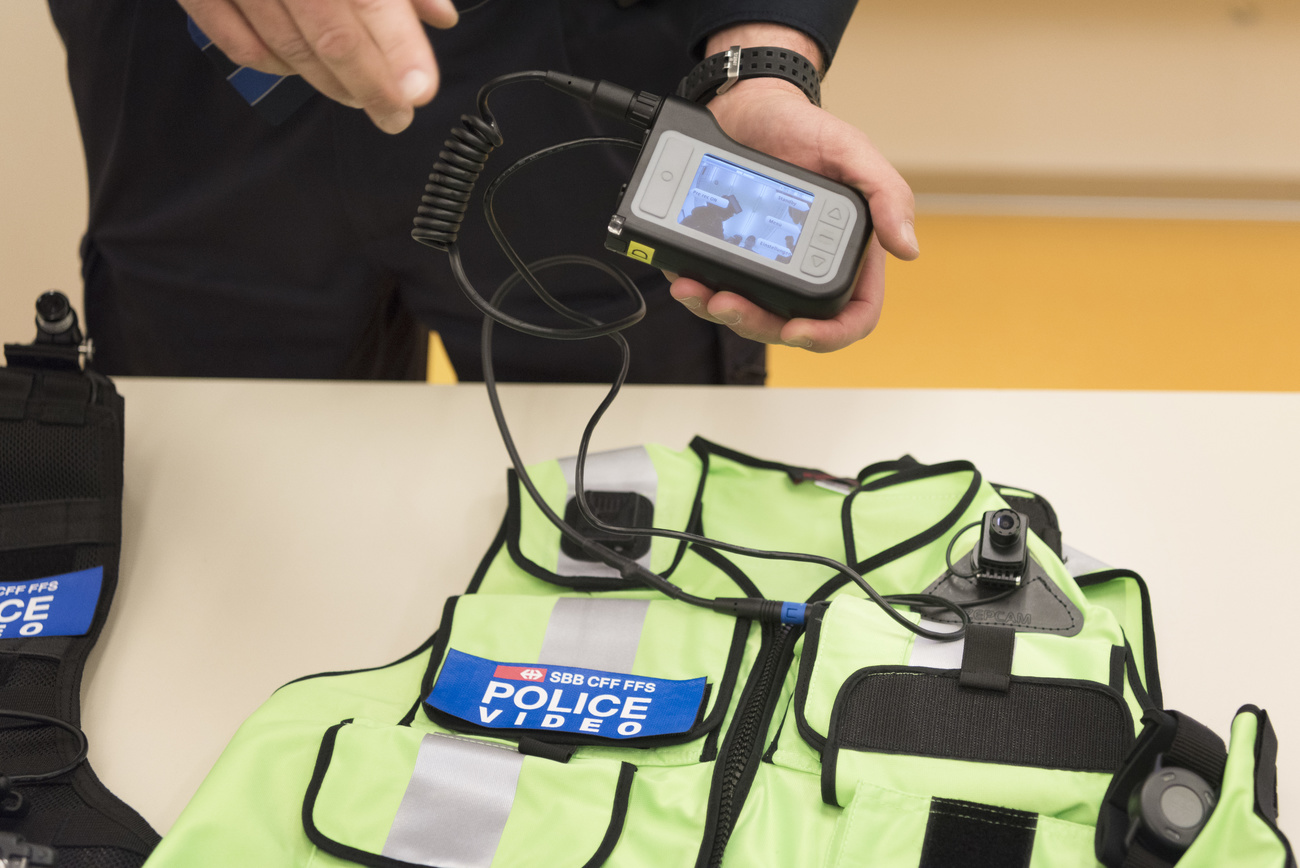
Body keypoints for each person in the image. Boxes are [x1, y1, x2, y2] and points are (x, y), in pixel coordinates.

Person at [47, 0, 917, 384]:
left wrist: (758, 58)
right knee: (221, 521)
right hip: (196, 77)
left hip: (574, 75)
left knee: (617, 512)